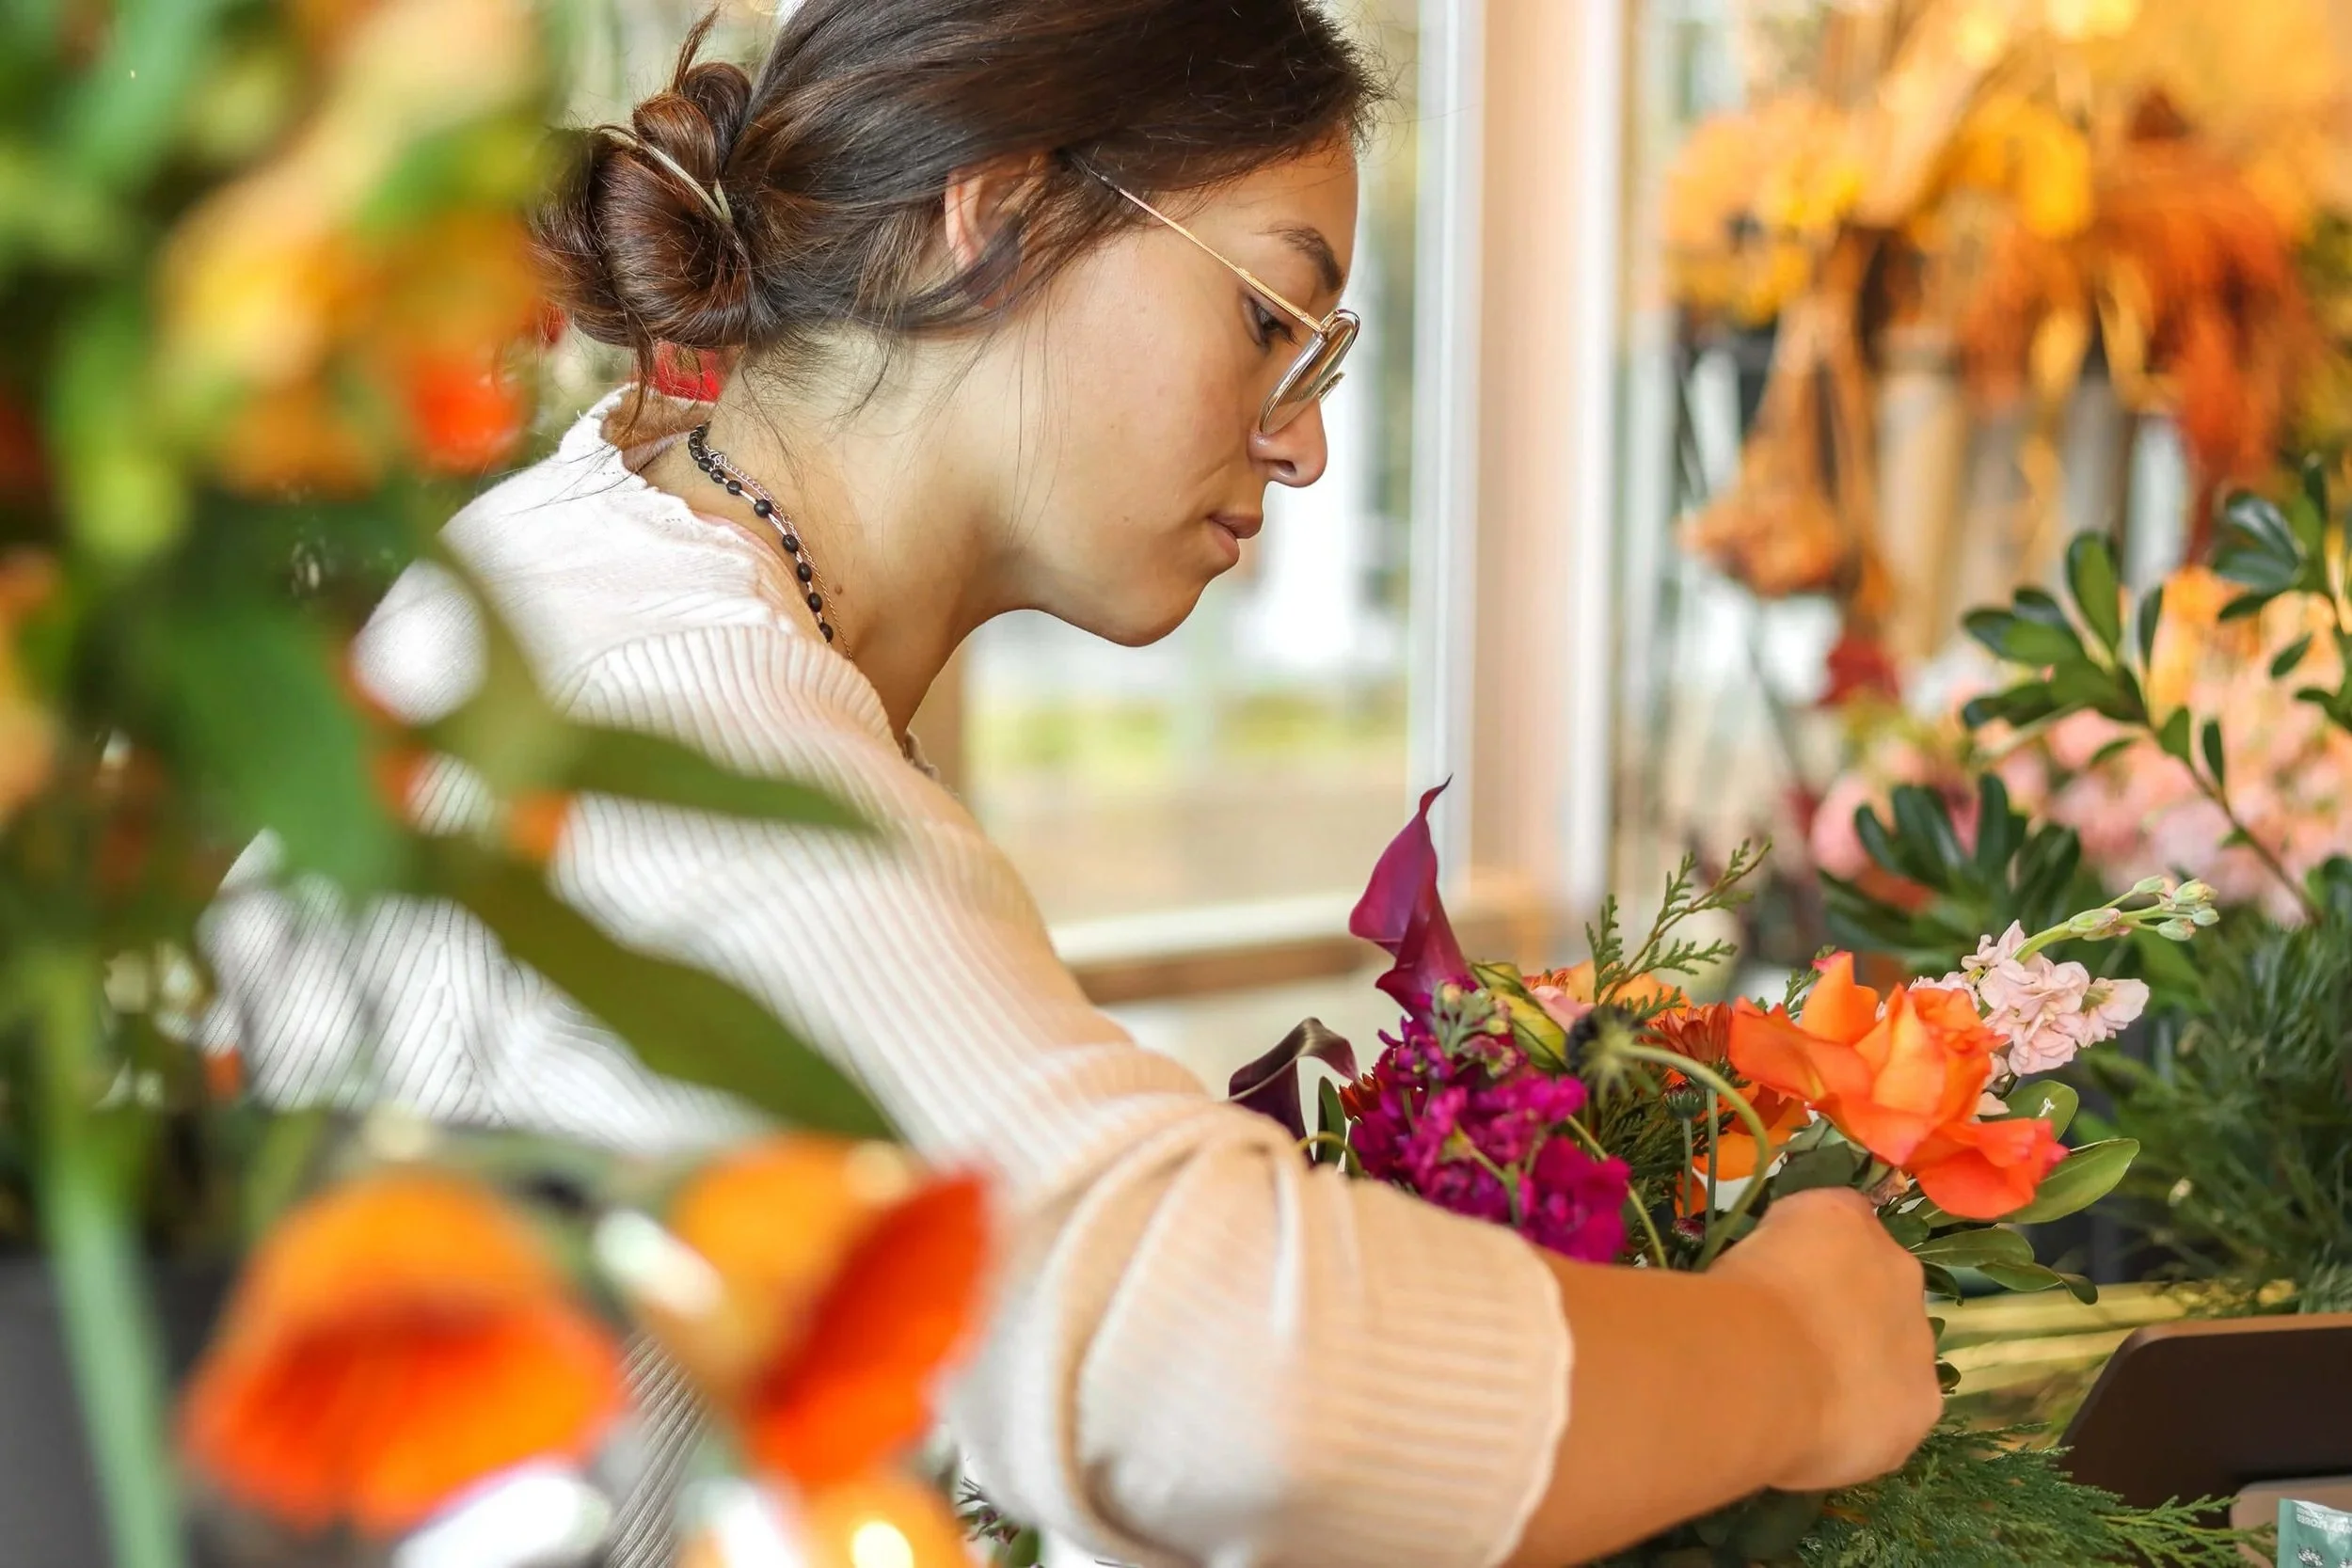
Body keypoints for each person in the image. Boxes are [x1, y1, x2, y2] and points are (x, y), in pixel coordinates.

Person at [202, 2, 1943, 1563]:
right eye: (1273, 314)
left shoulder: (591, 570)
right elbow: (1231, 1380)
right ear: (997, 207)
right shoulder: (678, 722)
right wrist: (1795, 1357)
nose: (1305, 436)